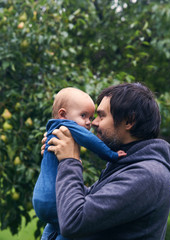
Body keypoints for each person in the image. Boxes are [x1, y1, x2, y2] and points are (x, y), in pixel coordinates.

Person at [47, 83, 170, 239]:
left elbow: (74, 221)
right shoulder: (128, 162)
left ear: (129, 121)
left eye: (102, 115)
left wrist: (70, 160)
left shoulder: (145, 175)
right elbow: (89, 201)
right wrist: (56, 160)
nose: (94, 122)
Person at [32, 87, 126, 240]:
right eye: (84, 116)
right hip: (55, 198)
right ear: (63, 114)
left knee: (53, 227)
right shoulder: (69, 126)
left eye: (91, 116)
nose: (89, 123)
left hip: (40, 198)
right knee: (71, 230)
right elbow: (91, 142)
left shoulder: (52, 129)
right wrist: (112, 155)